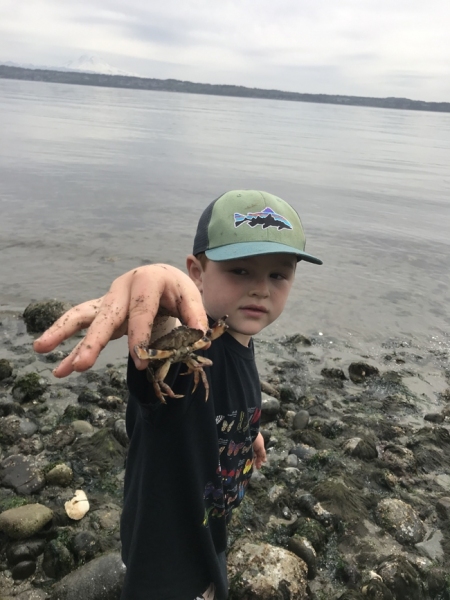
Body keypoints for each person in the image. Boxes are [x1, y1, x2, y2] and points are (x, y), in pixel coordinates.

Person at [34, 189, 322, 600]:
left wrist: (248, 432)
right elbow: (160, 362)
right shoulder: (196, 349)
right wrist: (155, 294)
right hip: (167, 554)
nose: (261, 289)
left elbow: (227, 397)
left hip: (211, 524)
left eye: (278, 274)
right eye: (240, 270)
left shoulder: (236, 336)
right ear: (197, 273)